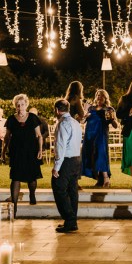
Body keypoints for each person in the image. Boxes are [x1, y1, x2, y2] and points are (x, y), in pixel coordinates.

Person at [3, 94, 43, 214]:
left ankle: (32, 194)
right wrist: (3, 151)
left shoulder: (33, 118)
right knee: (15, 177)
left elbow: (39, 135)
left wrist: (40, 150)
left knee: (32, 177)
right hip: (16, 152)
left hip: (31, 151)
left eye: (22, 104)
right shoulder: (11, 119)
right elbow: (7, 137)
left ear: (26, 105)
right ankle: (14, 206)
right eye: (18, 105)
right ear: (15, 106)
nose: (20, 107)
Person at [51, 99, 82, 233]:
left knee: (59, 188)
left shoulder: (63, 124)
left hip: (66, 161)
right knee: (72, 191)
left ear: (57, 110)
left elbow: (61, 146)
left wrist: (57, 166)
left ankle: (69, 219)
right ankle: (72, 220)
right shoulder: (75, 123)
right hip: (76, 159)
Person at [82, 89, 118, 187]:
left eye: (101, 95)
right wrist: (84, 115)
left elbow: (115, 125)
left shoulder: (109, 109)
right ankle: (99, 179)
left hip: (101, 135)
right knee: (92, 156)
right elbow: (82, 121)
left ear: (105, 98)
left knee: (101, 154)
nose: (99, 97)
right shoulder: (91, 109)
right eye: (97, 95)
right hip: (90, 135)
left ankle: (106, 179)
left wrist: (112, 119)